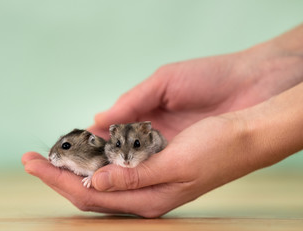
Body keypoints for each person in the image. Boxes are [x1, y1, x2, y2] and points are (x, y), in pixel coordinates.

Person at [22, 24, 303, 218]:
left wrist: (246, 136)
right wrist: (261, 70)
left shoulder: (130, 143)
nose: (126, 156)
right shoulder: (108, 151)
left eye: (66, 147)